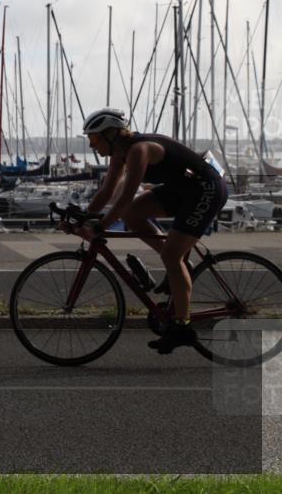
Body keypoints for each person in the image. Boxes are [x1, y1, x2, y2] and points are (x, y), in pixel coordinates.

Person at [70, 108, 228, 354]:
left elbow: (124, 197)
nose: (92, 145)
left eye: (94, 139)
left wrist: (100, 225)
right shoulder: (119, 155)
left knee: (170, 255)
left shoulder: (138, 151)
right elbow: (106, 193)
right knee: (133, 214)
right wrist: (83, 217)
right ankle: (177, 267)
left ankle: (182, 327)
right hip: (184, 189)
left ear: (111, 134)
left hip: (206, 188)